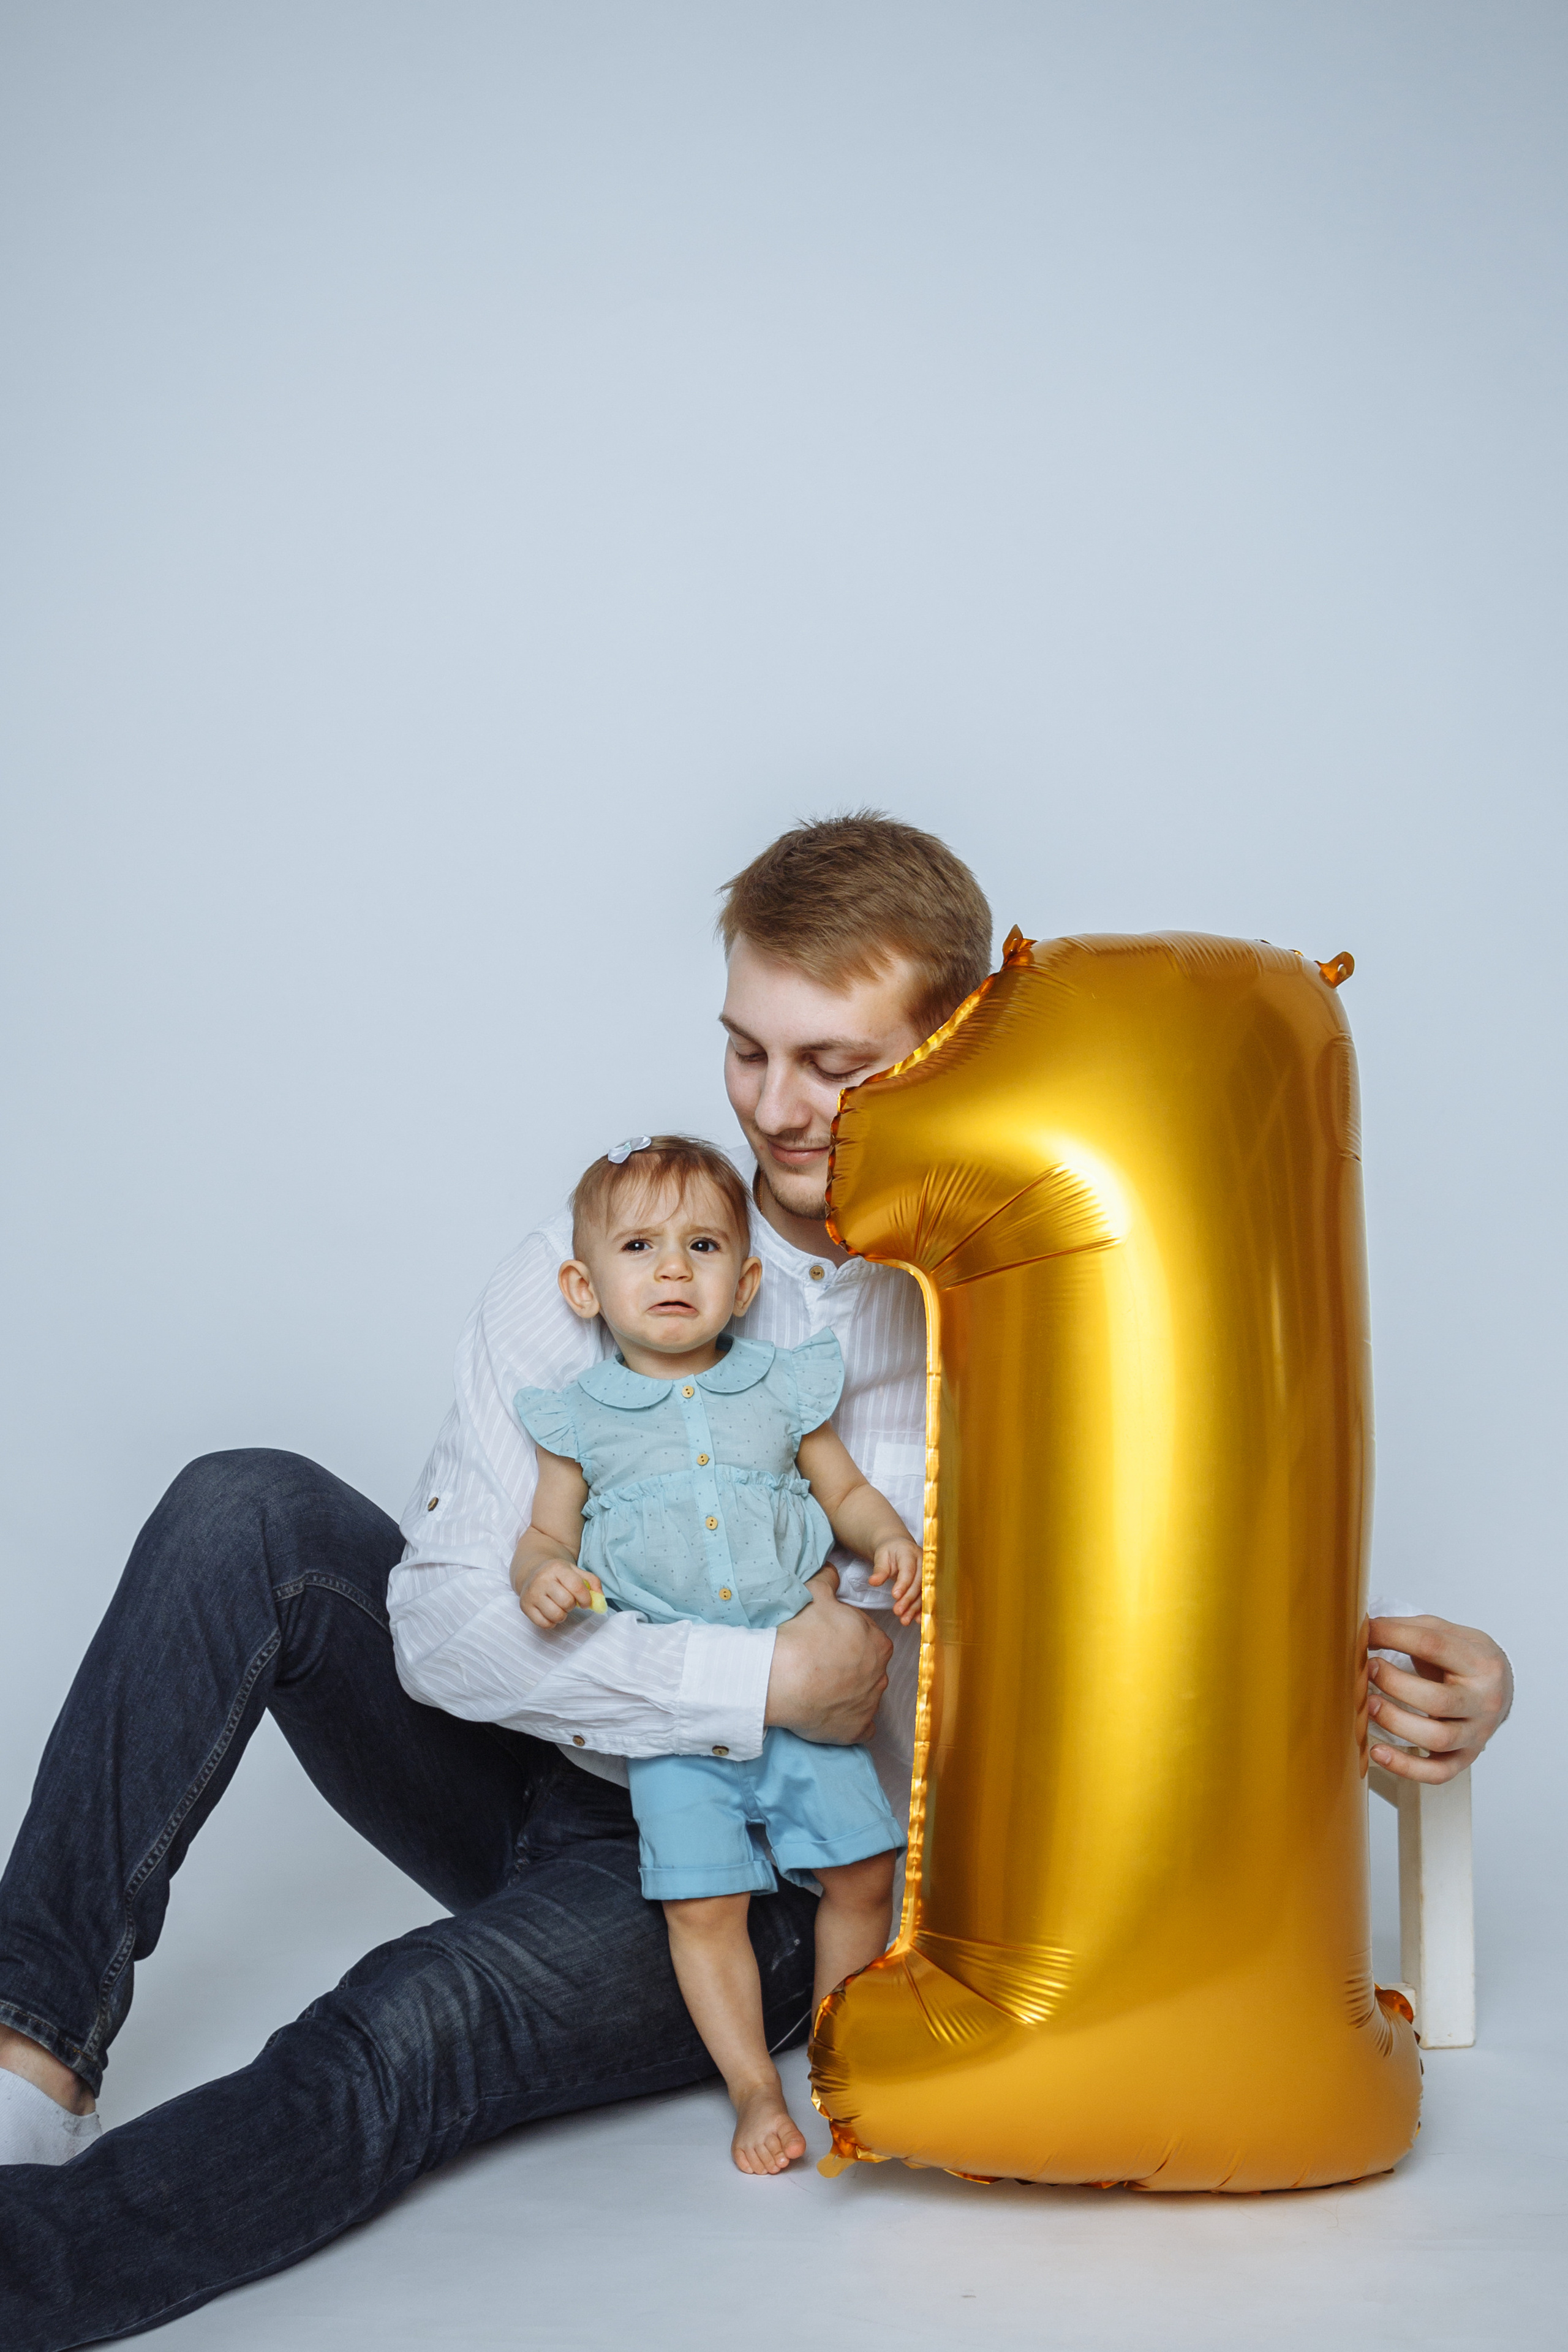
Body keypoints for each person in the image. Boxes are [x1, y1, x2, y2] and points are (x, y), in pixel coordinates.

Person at [0, 813, 1515, 2350]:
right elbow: (440, 1628)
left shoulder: (1045, 1316)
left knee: (408, 2025)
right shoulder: (612, 1255)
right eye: (745, 1053)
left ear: (962, 1045)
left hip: (763, 1875)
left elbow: (1168, 1644)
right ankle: (23, 2064)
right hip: (541, 1758)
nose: (777, 1113)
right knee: (239, 1510)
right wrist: (744, 1677)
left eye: (833, 1067)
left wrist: (1414, 1688)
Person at [510, 1132, 916, 2174]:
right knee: (704, 1902)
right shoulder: (581, 1421)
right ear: (583, 1285)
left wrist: (886, 1540)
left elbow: (848, 1493)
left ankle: (841, 2050)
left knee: (866, 1872)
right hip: (681, 1715)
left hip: (804, 1688)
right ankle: (750, 2086)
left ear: (744, 1285)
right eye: (639, 1247)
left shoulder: (781, 1388)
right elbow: (546, 1537)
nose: (673, 1269)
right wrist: (544, 1577)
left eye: (700, 1246)